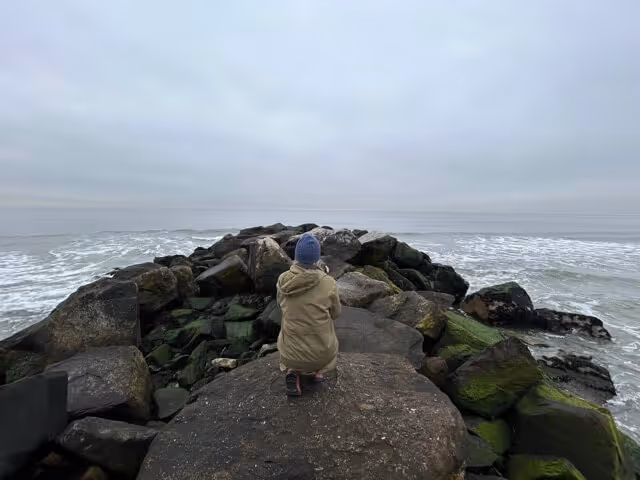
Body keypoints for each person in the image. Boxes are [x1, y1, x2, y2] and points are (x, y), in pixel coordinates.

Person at [276, 233, 341, 396]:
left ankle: (293, 371)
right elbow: (336, 313)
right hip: (321, 355)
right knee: (326, 325)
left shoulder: (283, 280)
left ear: (296, 256)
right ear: (317, 259)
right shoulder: (328, 282)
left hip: (289, 355)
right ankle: (317, 371)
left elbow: (280, 306)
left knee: (289, 320)